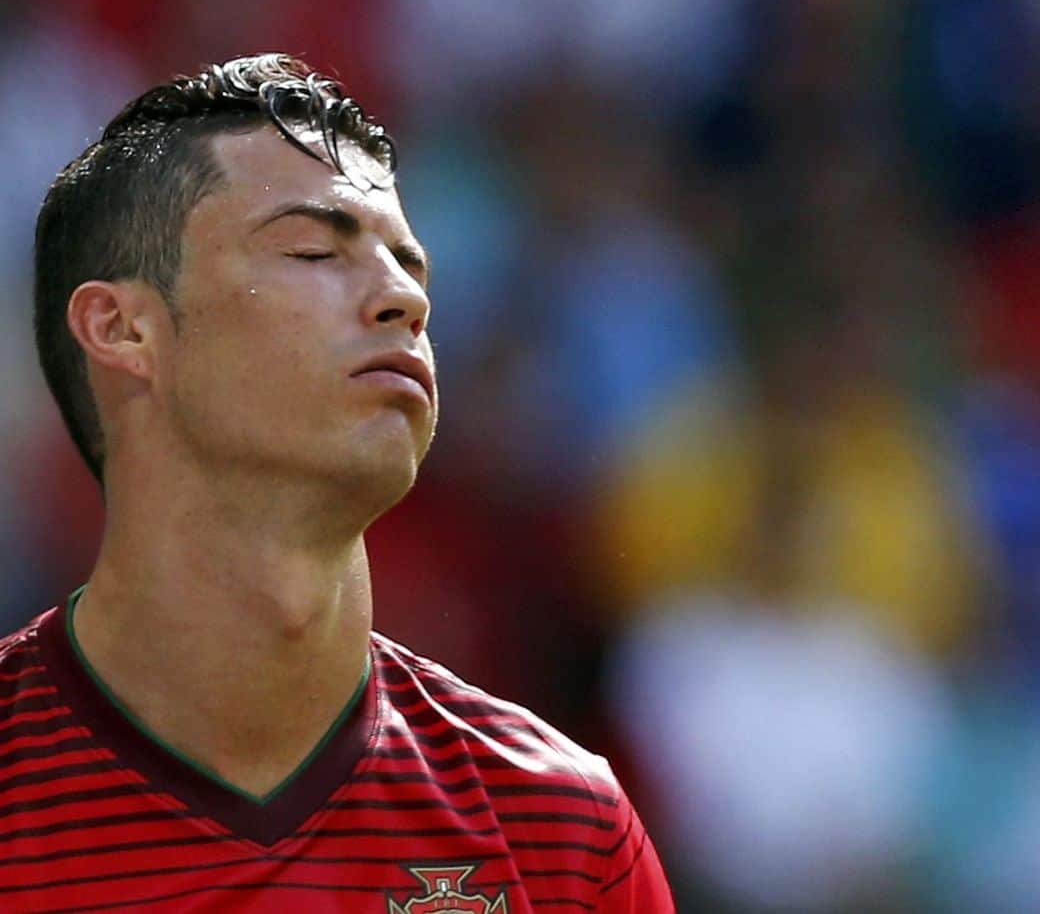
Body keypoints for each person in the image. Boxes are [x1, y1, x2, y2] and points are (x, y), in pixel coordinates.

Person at [4, 53, 674, 913]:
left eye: (411, 267)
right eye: (314, 250)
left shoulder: (564, 833)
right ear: (124, 329)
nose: (405, 300)